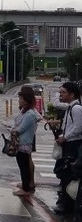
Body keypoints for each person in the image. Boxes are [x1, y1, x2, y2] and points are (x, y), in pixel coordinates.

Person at [46, 81, 82, 213]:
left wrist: (65, 137)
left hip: (73, 145)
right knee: (64, 173)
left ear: (72, 94)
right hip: (68, 143)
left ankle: (67, 206)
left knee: (68, 174)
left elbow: (78, 128)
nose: (61, 95)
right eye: (60, 92)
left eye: (63, 92)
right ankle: (65, 203)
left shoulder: (76, 108)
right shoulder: (70, 108)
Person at [11, 86, 39, 196]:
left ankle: (26, 188)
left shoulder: (30, 114)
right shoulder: (25, 112)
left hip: (24, 144)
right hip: (22, 143)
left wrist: (14, 131)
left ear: (26, 100)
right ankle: (25, 185)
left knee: (24, 166)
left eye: (21, 99)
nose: (19, 101)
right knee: (23, 165)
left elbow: (21, 128)